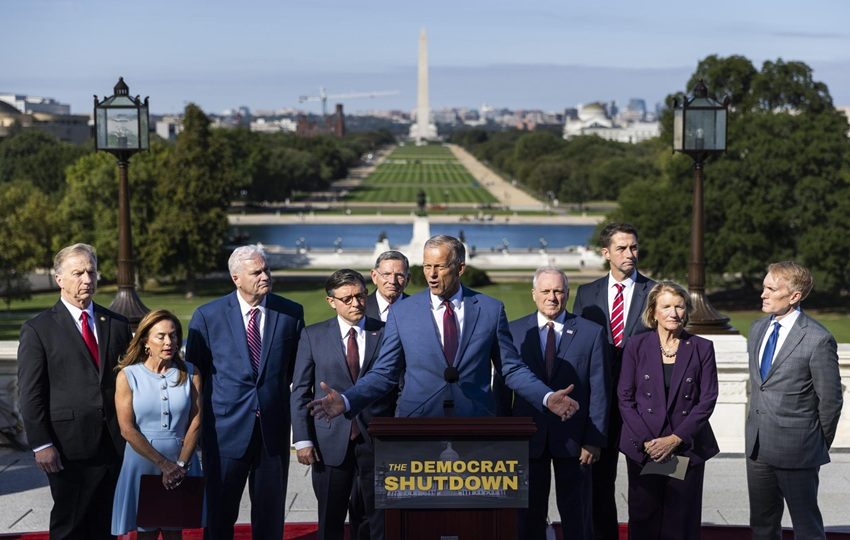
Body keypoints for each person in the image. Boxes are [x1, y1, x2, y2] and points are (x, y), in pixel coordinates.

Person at [309, 235, 579, 424]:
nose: (432, 274)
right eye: (427, 266)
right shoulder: (403, 312)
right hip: (417, 425)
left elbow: (511, 368)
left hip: (475, 423)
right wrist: (346, 401)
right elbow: (384, 373)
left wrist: (546, 397)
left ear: (460, 267)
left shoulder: (490, 309)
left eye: (440, 266)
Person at [186, 245, 304, 540]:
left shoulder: (290, 313)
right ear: (236, 278)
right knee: (220, 512)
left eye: (266, 270)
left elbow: (296, 370)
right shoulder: (207, 316)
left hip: (272, 430)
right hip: (224, 431)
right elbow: (196, 374)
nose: (265, 276)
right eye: (257, 272)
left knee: (270, 514)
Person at [17, 243, 132, 539]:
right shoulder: (38, 329)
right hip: (67, 448)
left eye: (91, 272)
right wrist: (41, 444)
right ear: (59, 279)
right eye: (78, 273)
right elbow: (30, 394)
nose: (86, 279)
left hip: (114, 445)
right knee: (70, 526)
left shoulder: (116, 324)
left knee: (107, 526)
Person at [495, 267, 608, 540]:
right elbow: (501, 389)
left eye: (558, 291)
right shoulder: (513, 331)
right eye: (545, 291)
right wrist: (504, 437)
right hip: (527, 439)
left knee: (577, 516)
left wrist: (593, 440)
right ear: (534, 294)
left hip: (575, 441)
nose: (552, 297)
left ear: (567, 294)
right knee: (528, 517)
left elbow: (599, 389)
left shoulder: (591, 333)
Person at [291, 269, 396, 540]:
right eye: (347, 298)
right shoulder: (313, 336)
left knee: (378, 519)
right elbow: (301, 390)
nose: (356, 303)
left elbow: (398, 385)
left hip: (376, 440)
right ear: (331, 301)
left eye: (361, 296)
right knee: (331, 518)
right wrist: (302, 440)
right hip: (329, 442)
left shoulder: (386, 333)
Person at [745, 261, 842, 540]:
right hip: (757, 448)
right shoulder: (757, 329)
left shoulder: (818, 338)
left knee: (807, 527)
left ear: (794, 296)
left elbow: (831, 400)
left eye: (771, 289)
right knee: (762, 526)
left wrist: (815, 443)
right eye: (764, 286)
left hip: (799, 450)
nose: (762, 293)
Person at [572, 222, 655, 540]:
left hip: (643, 405)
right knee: (598, 486)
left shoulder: (655, 292)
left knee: (646, 486)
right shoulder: (587, 294)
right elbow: (579, 349)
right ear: (606, 253)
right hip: (599, 404)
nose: (630, 253)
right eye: (621, 248)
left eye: (633, 247)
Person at [618, 281, 719, 539]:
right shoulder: (636, 346)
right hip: (645, 447)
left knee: (680, 521)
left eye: (679, 306)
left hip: (684, 446)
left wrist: (674, 440)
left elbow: (707, 399)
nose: (674, 313)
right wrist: (649, 442)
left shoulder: (702, 348)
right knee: (644, 518)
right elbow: (625, 397)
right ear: (653, 312)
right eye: (666, 307)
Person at [111, 310, 203, 538]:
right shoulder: (128, 375)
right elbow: (127, 428)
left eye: (173, 335)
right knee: (145, 533)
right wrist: (163, 464)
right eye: (160, 336)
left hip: (182, 462)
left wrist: (180, 464)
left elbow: (197, 420)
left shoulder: (191, 373)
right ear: (145, 341)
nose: (169, 342)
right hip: (142, 462)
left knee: (175, 532)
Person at [365, 250, 410, 322]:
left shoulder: (419, 309)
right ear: (374, 276)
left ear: (407, 279)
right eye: (386, 275)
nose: (392, 281)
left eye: (399, 276)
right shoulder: (361, 307)